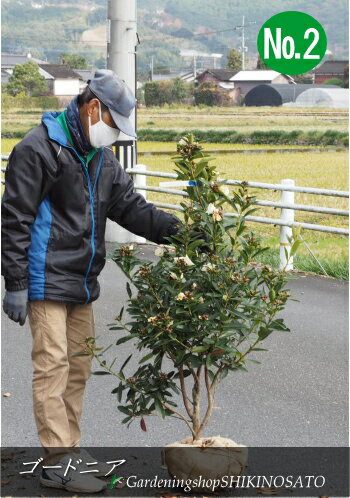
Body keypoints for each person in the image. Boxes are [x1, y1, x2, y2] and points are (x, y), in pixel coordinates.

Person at [1, 69, 183, 493]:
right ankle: (57, 461)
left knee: (79, 368)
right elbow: (15, 218)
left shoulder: (101, 159)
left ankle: (70, 448)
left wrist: (185, 233)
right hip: (43, 278)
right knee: (53, 366)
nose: (114, 136)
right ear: (93, 107)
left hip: (81, 281)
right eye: (113, 125)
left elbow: (131, 208)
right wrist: (15, 282)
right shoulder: (38, 149)